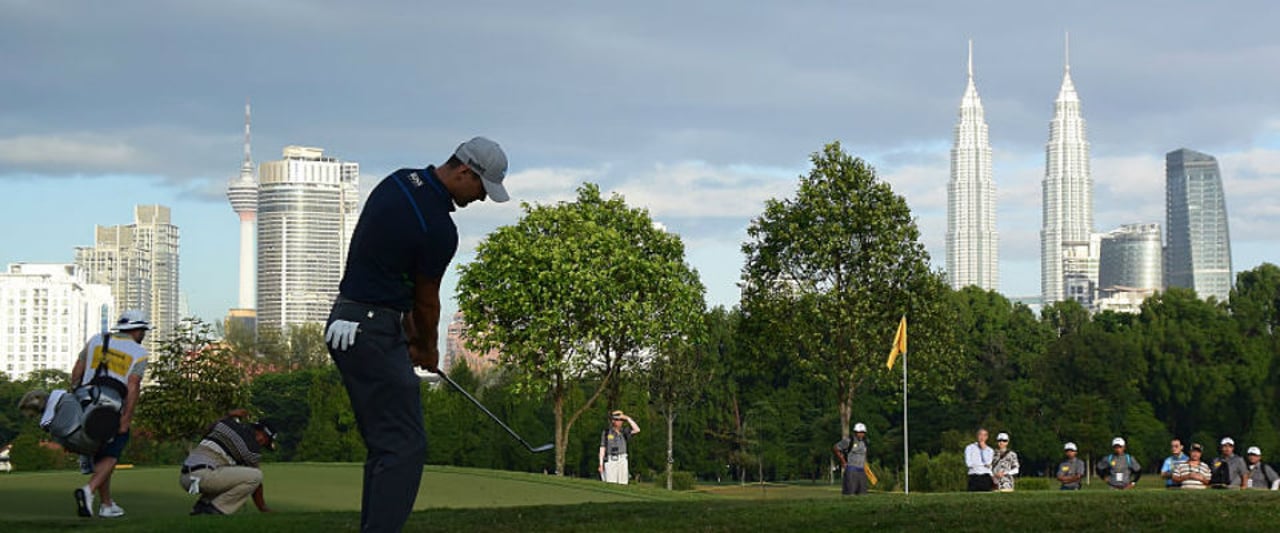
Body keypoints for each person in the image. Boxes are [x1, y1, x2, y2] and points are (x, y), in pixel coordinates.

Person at [324, 137, 509, 532]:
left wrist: (407, 334)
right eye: (481, 189)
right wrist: (426, 347)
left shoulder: (399, 181)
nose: (480, 199)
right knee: (405, 445)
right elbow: (426, 302)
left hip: (347, 319)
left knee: (386, 445)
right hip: (372, 328)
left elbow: (392, 271)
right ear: (465, 172)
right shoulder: (439, 227)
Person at [69, 310, 150, 518]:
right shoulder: (139, 353)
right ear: (136, 330)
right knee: (113, 452)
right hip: (111, 408)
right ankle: (88, 490)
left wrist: (76, 397)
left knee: (101, 454)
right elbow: (133, 386)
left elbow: (77, 370)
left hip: (86, 401)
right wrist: (126, 419)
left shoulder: (97, 340)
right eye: (143, 330)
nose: (144, 334)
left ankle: (106, 505)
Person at [180, 408, 277, 515]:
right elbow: (256, 483)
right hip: (203, 476)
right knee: (256, 476)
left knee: (231, 473)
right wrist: (262, 507)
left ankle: (202, 507)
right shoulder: (251, 448)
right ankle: (216, 510)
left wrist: (229, 415)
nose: (262, 446)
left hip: (186, 477)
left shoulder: (225, 423)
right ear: (262, 437)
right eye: (265, 444)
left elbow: (207, 430)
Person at [599, 410, 641, 484]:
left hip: (622, 459)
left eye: (621, 420)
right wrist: (601, 464)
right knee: (610, 483)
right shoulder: (606, 432)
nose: (619, 422)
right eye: (617, 420)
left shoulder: (624, 431)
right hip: (610, 459)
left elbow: (637, 429)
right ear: (613, 421)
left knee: (623, 482)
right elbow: (602, 448)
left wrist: (628, 418)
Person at [832, 422, 869, 496]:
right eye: (859, 432)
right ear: (855, 432)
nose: (861, 434)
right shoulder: (849, 441)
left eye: (863, 432)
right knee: (850, 493)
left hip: (862, 469)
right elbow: (836, 448)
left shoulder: (865, 441)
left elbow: (864, 454)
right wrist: (843, 461)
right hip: (851, 469)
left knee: (863, 493)